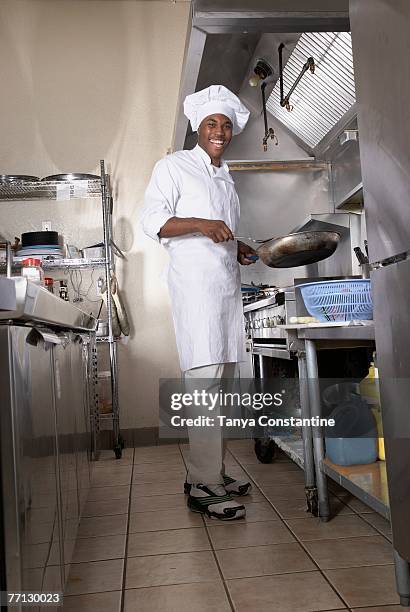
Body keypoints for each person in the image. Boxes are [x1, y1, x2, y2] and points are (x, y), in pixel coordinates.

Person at [141, 85, 258, 520]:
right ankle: (205, 486)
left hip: (225, 293)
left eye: (226, 125)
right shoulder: (173, 166)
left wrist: (236, 243)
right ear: (197, 126)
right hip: (196, 294)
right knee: (204, 388)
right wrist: (203, 224)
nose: (220, 131)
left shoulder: (224, 176)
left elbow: (216, 232)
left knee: (220, 385)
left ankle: (206, 473)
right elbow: (153, 221)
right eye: (212, 123)